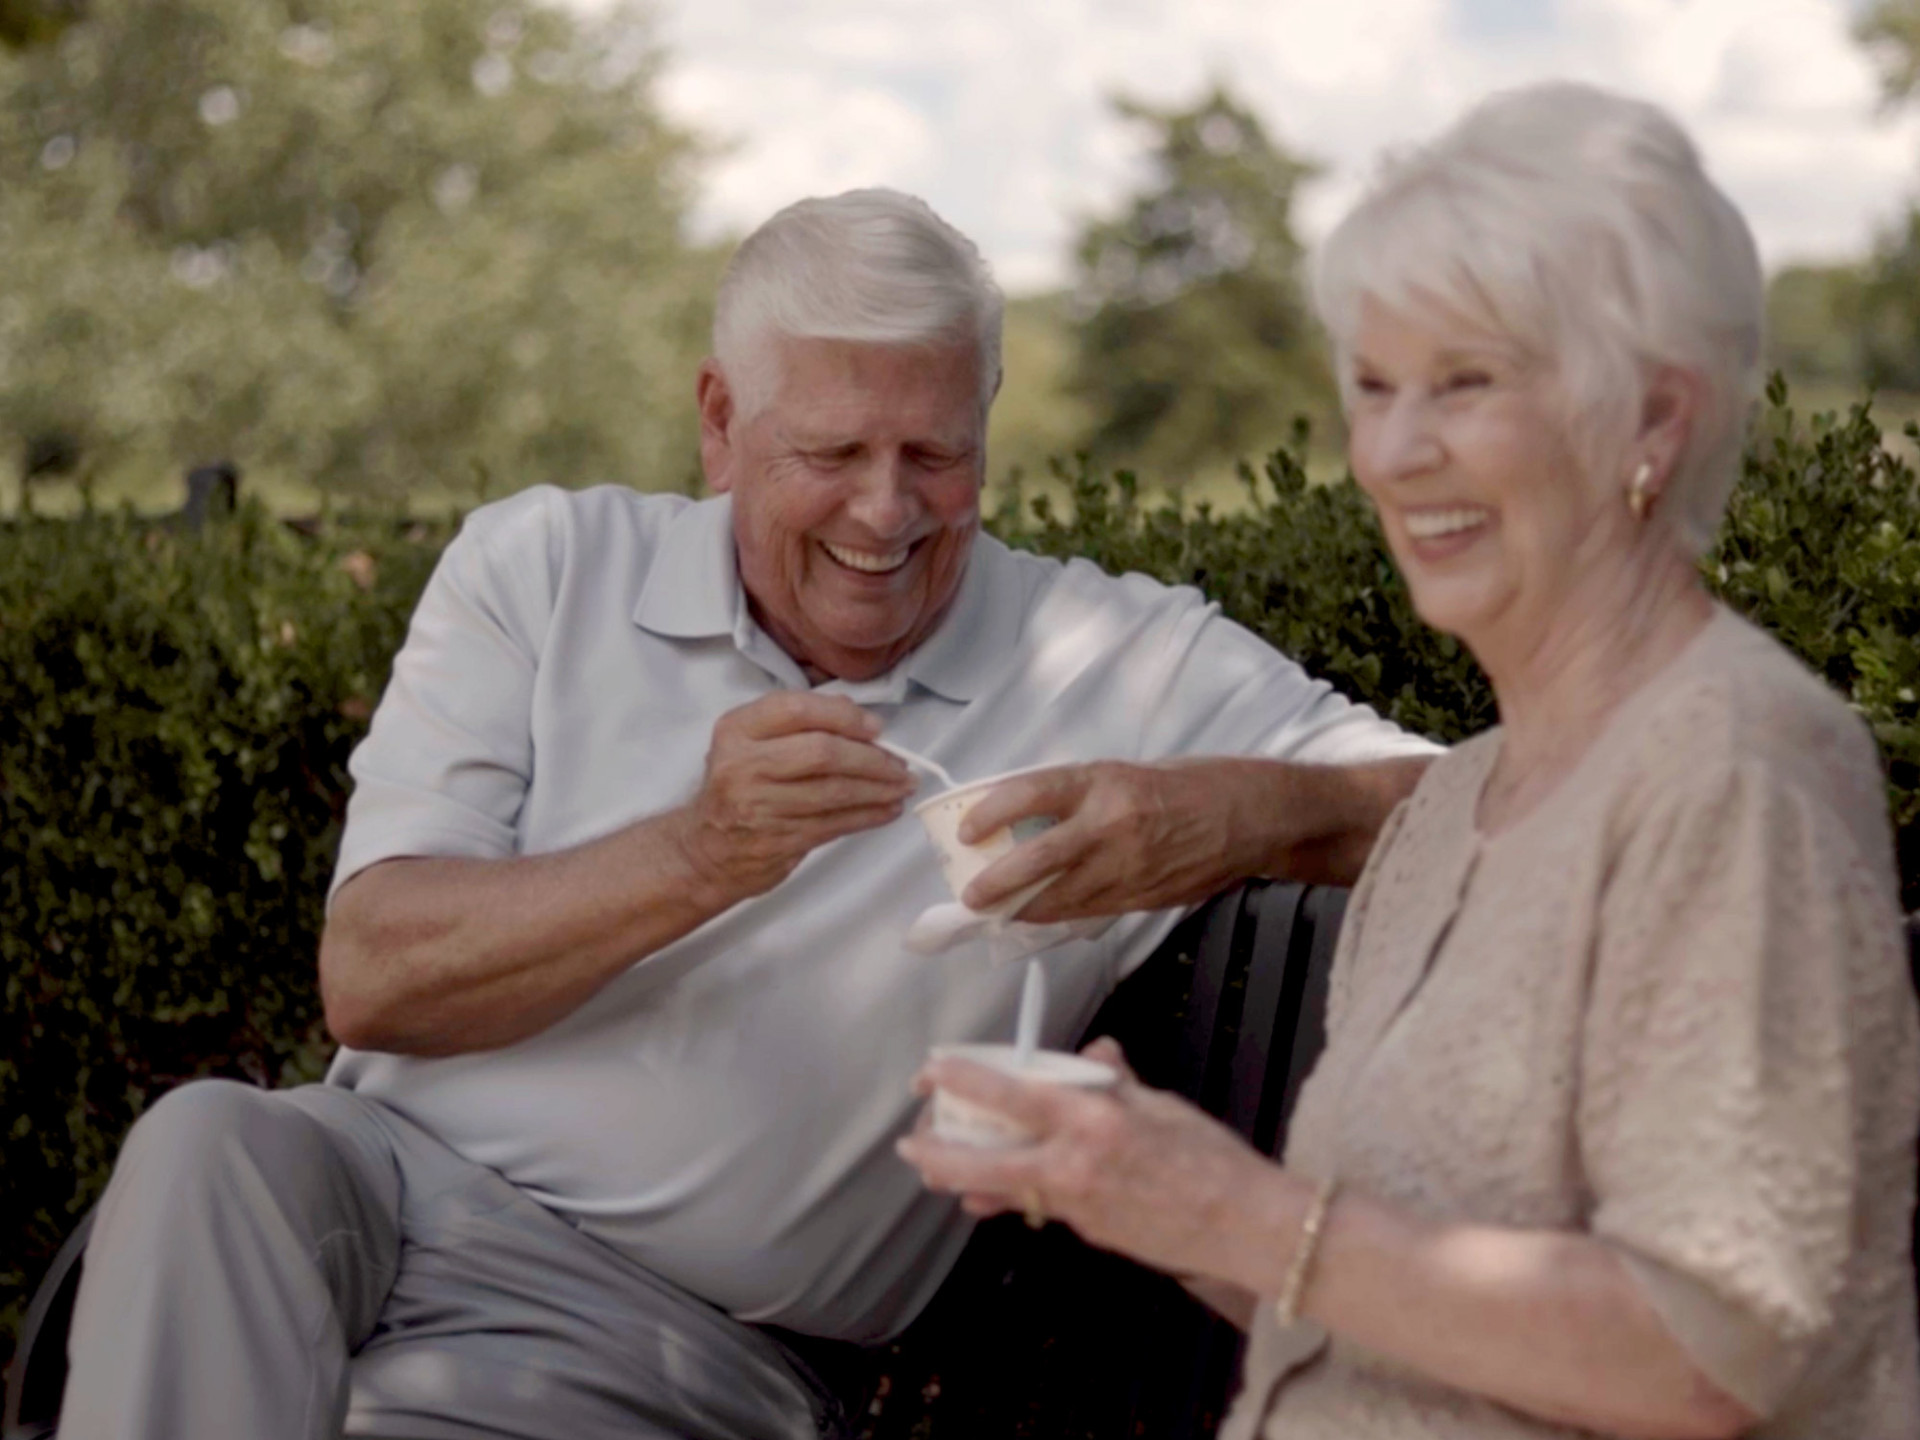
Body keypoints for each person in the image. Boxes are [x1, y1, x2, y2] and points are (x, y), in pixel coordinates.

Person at [55, 188, 1434, 1440]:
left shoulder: (1119, 663)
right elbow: (373, 980)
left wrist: (1213, 815)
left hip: (668, 1337)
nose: (885, 512)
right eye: (831, 451)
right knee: (207, 1145)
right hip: (371, 1188)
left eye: (935, 456)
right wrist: (699, 851)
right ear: (720, 424)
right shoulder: (543, 569)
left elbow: (1477, 798)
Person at [901, 82, 1920, 1439]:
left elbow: (1710, 1358)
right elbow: (1384, 1324)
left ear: (1654, 420)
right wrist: (1135, 1186)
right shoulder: (1452, 807)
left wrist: (1231, 1205)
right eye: (1374, 386)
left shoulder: (1740, 770)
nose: (1390, 450)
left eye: (1466, 384)